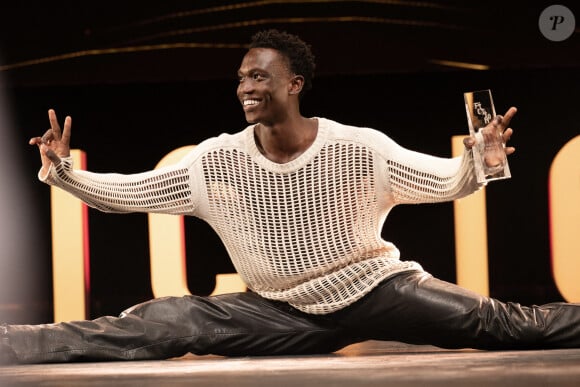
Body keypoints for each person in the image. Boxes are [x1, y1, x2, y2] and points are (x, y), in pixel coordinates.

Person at [2, 29, 580, 365]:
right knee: (158, 324)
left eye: (258, 77)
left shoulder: (359, 148)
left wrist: (481, 159)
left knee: (503, 324)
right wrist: (65, 174)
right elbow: (126, 195)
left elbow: (447, 182)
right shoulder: (214, 160)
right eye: (240, 79)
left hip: (377, 290)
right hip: (276, 310)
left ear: (294, 84)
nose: (246, 88)